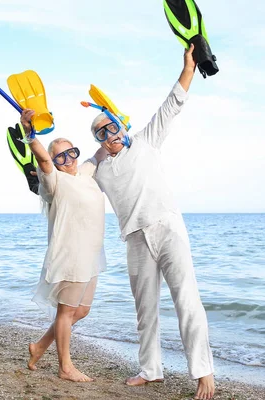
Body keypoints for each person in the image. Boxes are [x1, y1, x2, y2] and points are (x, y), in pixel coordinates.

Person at [89, 44, 215, 400]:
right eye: (100, 133)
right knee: (145, 310)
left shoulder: (146, 140)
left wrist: (189, 67)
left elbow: (172, 104)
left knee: (186, 299)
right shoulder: (98, 169)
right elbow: (68, 177)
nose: (109, 135)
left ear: (120, 123)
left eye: (110, 127)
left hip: (166, 227)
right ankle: (150, 370)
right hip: (134, 238)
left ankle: (203, 372)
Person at [20, 109, 107, 382]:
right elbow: (43, 161)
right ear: (55, 161)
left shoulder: (85, 172)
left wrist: (112, 120)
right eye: (61, 156)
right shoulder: (53, 182)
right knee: (66, 312)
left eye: (72, 153)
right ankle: (65, 367)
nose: (68, 159)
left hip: (91, 254)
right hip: (71, 255)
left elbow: (103, 149)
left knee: (81, 310)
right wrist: (30, 135)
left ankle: (40, 346)